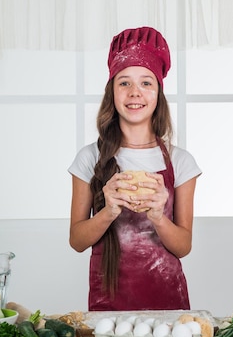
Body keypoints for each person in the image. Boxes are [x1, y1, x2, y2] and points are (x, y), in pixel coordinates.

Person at [68, 26, 202, 311]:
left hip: (168, 306)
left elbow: (183, 246)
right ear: (112, 92)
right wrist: (109, 211)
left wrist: (158, 216)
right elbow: (77, 241)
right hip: (108, 307)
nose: (135, 93)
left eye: (146, 83)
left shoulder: (180, 162)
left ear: (158, 93)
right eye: (124, 83)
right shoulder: (89, 158)